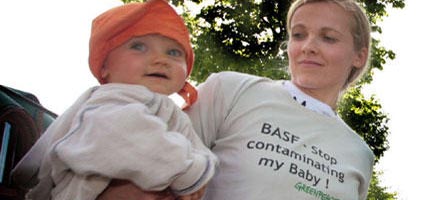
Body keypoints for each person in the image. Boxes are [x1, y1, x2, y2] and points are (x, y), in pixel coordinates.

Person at [95, 0, 375, 199]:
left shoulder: (359, 154)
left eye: (328, 38)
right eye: (299, 35)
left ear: (358, 56)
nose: (308, 47)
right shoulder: (232, 89)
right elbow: (149, 162)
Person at [11, 0, 217, 200]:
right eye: (139, 46)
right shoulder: (109, 99)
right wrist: (188, 174)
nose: (160, 59)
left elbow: (196, 148)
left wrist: (201, 172)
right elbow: (123, 134)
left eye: (174, 52)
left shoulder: (171, 112)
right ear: (104, 67)